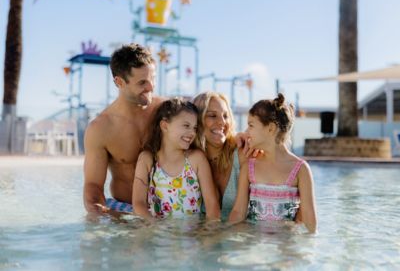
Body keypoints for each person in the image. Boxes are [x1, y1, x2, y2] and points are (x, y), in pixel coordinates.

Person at [83, 43, 164, 214]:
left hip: (168, 210)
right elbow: (93, 185)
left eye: (153, 79)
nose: (151, 87)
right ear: (119, 82)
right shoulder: (101, 128)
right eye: (142, 82)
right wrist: (97, 214)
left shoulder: (166, 111)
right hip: (126, 212)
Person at [229, 93, 317, 233]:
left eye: (251, 125)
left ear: (270, 128)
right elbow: (238, 212)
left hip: (286, 241)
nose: (246, 131)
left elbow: (310, 222)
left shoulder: (300, 169)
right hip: (255, 239)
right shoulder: (249, 167)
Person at [132, 97, 220, 219]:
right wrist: (152, 228)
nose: (192, 133)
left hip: (191, 234)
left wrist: (208, 234)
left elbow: (212, 206)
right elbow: (138, 203)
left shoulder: (196, 159)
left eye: (194, 128)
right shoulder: (147, 159)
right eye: (186, 125)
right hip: (156, 231)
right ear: (164, 126)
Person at [192, 92, 245, 219]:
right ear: (196, 120)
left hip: (239, 236)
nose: (222, 122)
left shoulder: (242, 153)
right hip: (201, 236)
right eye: (212, 116)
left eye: (225, 116)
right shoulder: (188, 160)